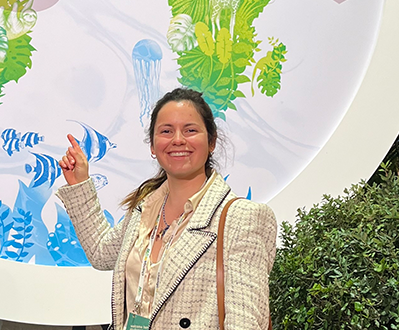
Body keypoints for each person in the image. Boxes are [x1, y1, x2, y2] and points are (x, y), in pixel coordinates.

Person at [56, 88, 277, 330]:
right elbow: (101, 252)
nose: (178, 140)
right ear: (152, 146)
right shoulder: (144, 209)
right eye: (166, 131)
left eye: (190, 130)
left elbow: (245, 323)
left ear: (211, 141)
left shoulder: (242, 218)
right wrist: (80, 184)